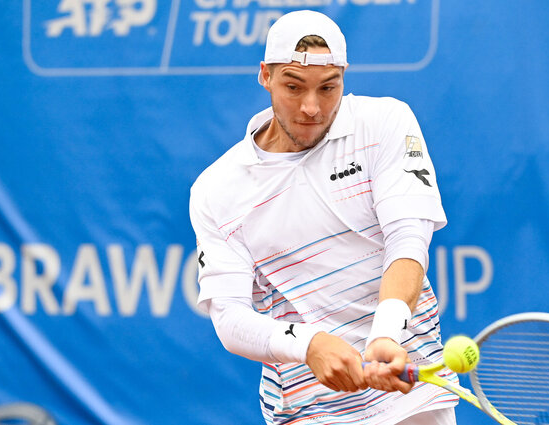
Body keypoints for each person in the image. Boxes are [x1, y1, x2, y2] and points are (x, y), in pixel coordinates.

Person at [189, 10, 458, 425]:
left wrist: (386, 332)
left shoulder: (386, 123)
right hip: (309, 412)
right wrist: (309, 344)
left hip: (412, 401)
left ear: (344, 78)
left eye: (328, 88)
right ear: (265, 75)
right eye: (293, 87)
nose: (311, 107)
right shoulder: (216, 189)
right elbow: (229, 317)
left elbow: (408, 239)